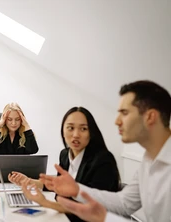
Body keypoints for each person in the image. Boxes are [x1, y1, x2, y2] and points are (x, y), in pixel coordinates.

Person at [40, 80, 171, 222]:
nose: (117, 121)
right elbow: (124, 203)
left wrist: (103, 217)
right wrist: (77, 190)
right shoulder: (149, 160)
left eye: (124, 113)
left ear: (150, 117)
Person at [8, 107, 120, 222]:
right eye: (70, 128)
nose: (76, 134)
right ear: (63, 131)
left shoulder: (103, 161)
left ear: (91, 132)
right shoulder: (65, 155)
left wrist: (45, 202)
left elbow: (90, 210)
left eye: (83, 129)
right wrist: (29, 181)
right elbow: (57, 186)